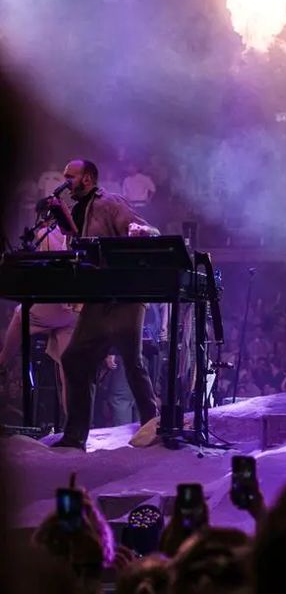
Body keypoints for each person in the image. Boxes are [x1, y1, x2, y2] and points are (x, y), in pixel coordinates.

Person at [49, 159, 160, 450]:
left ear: (87, 179)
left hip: (125, 295)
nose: (65, 181)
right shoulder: (77, 210)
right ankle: (75, 436)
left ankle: (153, 426)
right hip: (98, 298)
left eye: (70, 176)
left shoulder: (110, 202)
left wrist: (140, 232)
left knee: (133, 361)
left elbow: (144, 229)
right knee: (74, 358)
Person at [0, 199, 78, 417]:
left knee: (21, 313)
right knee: (67, 369)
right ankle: (73, 424)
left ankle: (3, 360)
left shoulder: (47, 233)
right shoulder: (72, 233)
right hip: (73, 308)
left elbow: (44, 268)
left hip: (57, 303)